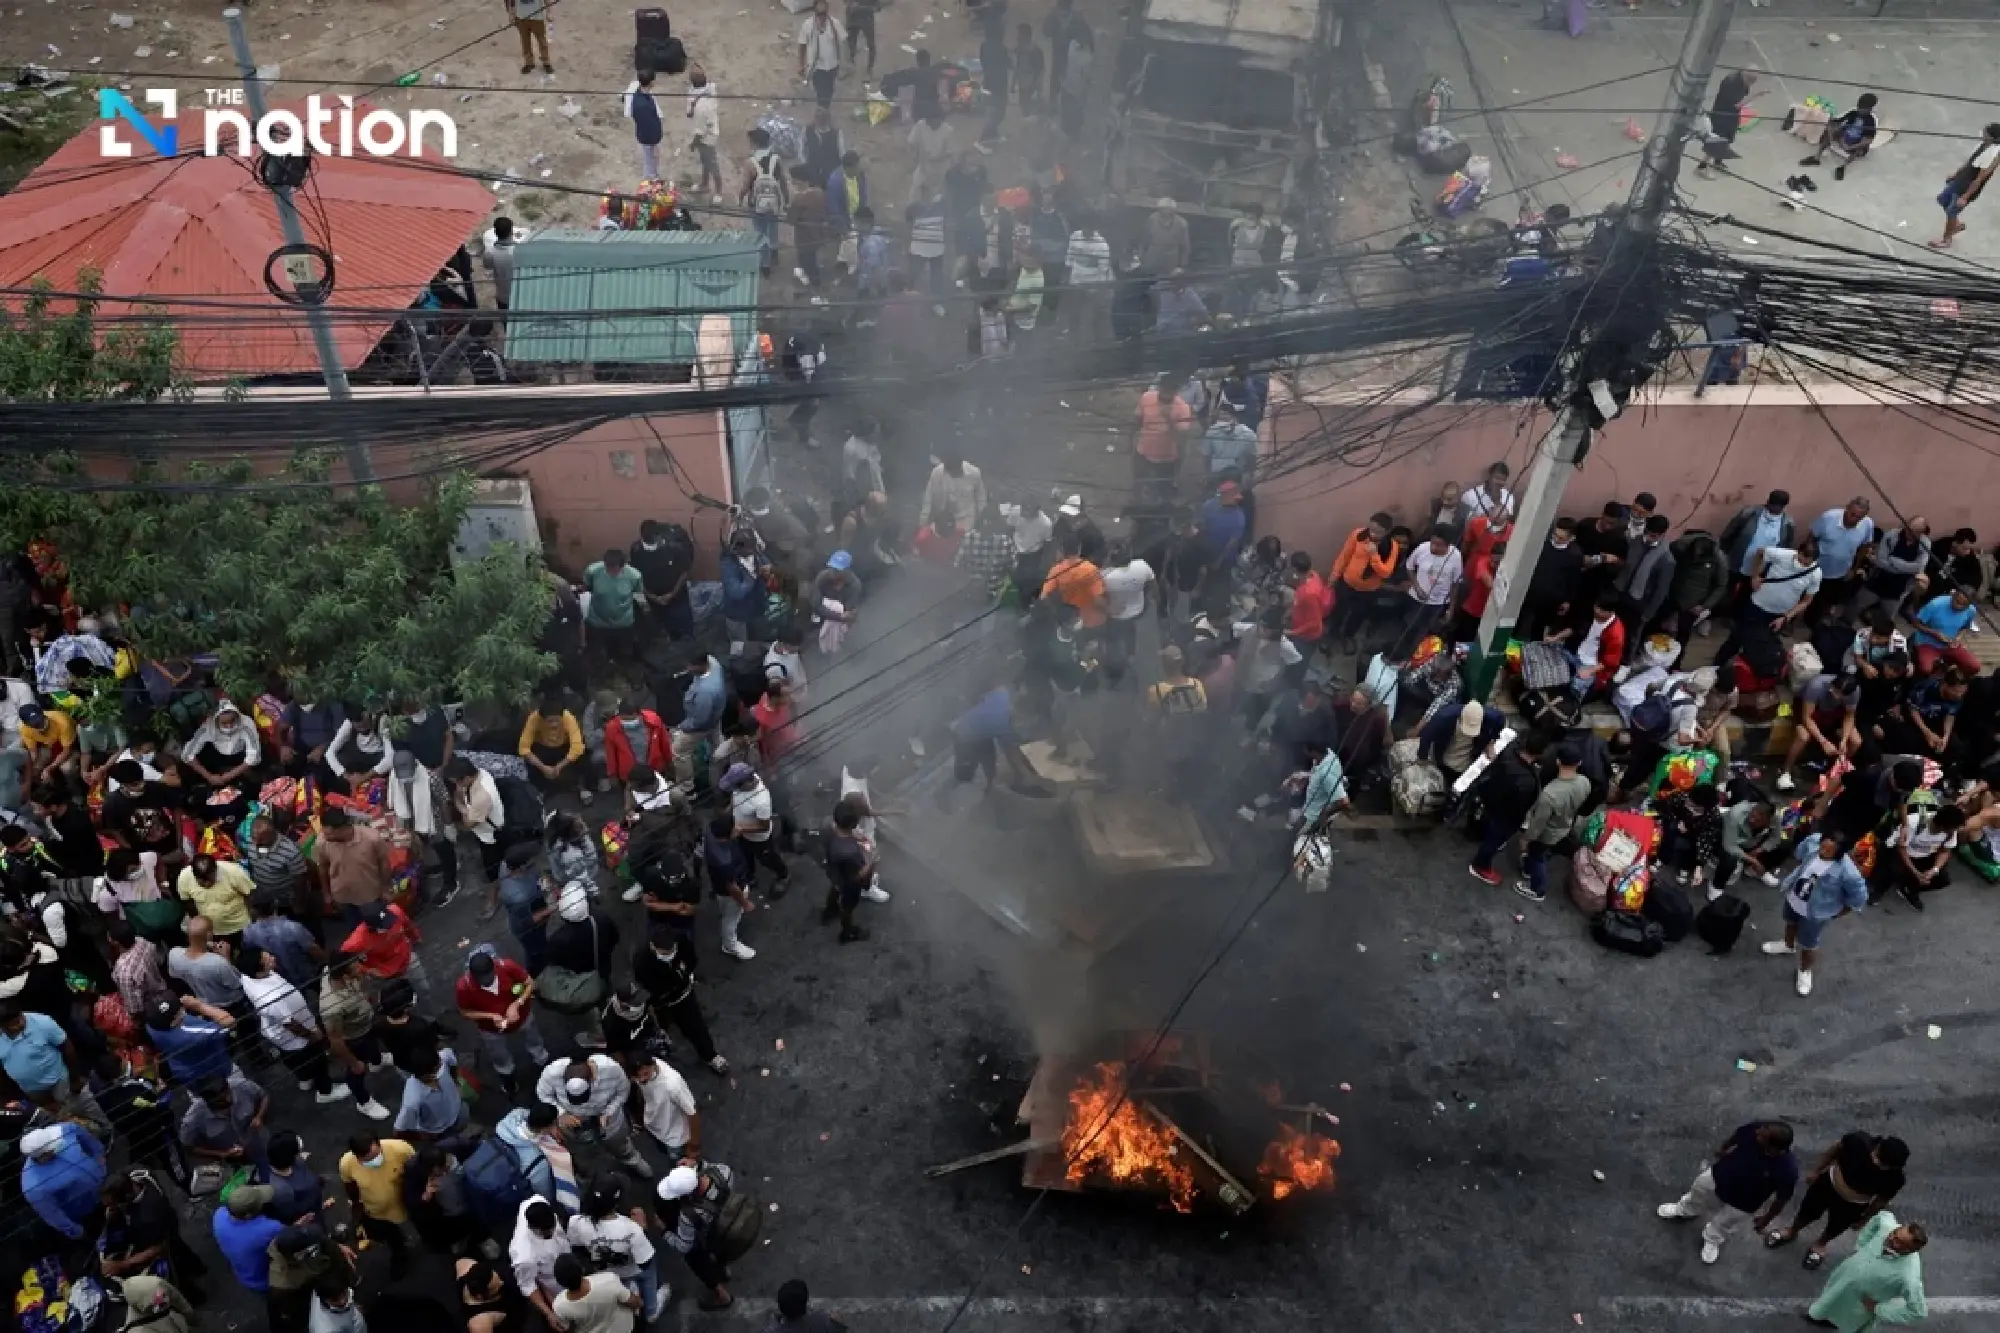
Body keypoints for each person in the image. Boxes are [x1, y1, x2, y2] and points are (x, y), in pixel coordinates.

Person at [1657, 1119, 1798, 1265]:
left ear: (1774, 1148)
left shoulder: (1787, 1171)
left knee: (1725, 1222)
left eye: (1762, 1136)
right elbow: (1738, 1135)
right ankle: (1685, 1210)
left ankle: (1712, 1238)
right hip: (1720, 1175)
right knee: (1698, 1190)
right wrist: (1724, 1148)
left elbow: (1782, 1198)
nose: (1757, 1133)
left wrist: (1766, 1219)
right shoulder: (1756, 1129)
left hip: (1744, 1201)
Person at [1766, 1132, 1909, 1270]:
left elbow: (1881, 1200)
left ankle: (1820, 1244)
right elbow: (1833, 1151)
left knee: (1836, 1227)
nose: (1878, 1164)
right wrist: (1816, 1170)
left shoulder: (1895, 1178)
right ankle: (1792, 1231)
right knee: (1807, 1211)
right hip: (1828, 1184)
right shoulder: (1857, 1141)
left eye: (1884, 1164)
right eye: (1878, 1158)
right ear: (1878, 1147)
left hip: (1854, 1204)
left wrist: (1865, 1218)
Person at [239, 945, 354, 1107]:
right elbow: (291, 1025)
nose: (272, 957)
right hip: (294, 1034)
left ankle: (305, 1079)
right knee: (316, 1059)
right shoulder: (270, 998)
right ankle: (325, 1092)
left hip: (280, 1031)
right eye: (267, 959)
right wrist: (312, 1035)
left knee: (293, 1059)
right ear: (259, 970)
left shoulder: (248, 976)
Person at [1762, 832, 1870, 998]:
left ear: (1839, 853)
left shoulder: (1848, 872)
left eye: (1829, 850)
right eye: (1823, 846)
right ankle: (1787, 945)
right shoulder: (1813, 841)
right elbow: (1800, 853)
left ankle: (1805, 971)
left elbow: (1858, 898)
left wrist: (1835, 914)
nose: (1823, 851)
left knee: (1808, 944)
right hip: (1794, 897)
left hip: (1815, 913)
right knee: (1790, 922)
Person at [1806, 1213, 1928, 1330]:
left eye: (1899, 1242)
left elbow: (1918, 1311)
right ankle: (1819, 1315)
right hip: (1843, 1279)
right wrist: (1860, 1245)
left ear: (1909, 1250)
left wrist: (1879, 1309)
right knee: (1829, 1299)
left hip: (1857, 1305)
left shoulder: (1908, 1276)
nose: (1890, 1237)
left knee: (1845, 1321)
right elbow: (1882, 1215)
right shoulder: (1887, 1226)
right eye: (1895, 1233)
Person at [456, 946, 550, 1098]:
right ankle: (508, 1076)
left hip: (523, 1016)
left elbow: (531, 983)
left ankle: (541, 1058)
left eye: (489, 976)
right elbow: (465, 1012)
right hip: (490, 1029)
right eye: (481, 979)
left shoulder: (507, 966)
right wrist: (490, 1016)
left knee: (534, 1037)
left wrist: (517, 1004)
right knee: (498, 1054)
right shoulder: (463, 986)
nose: (486, 981)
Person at [635, 925, 728, 1073]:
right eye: (666, 952)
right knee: (659, 1026)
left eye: (672, 950)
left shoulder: (680, 940)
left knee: (695, 1026)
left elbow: (691, 959)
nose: (671, 954)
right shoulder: (642, 961)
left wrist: (684, 974)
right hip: (661, 1001)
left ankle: (710, 1056)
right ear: (653, 947)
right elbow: (648, 987)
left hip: (682, 997)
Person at [536, 1052, 649, 1174]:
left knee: (620, 1144)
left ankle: (631, 1159)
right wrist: (561, 1113)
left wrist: (609, 1112)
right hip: (571, 1120)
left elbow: (623, 1092)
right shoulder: (552, 1072)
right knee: (580, 1152)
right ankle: (589, 1174)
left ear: (592, 1078)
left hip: (608, 1117)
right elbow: (543, 1094)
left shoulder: (612, 1069)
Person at [567, 1179, 662, 1322]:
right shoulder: (632, 1229)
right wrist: (643, 1227)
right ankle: (651, 1311)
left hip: (607, 1272)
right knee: (649, 1274)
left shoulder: (576, 1222)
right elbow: (644, 1263)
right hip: (633, 1269)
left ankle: (630, 1297)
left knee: (622, 1282)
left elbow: (577, 1247)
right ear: (616, 1203)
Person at [1464, 733, 1546, 887]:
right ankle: (1479, 865)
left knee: (1490, 831)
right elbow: (1518, 809)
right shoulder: (1527, 782)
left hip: (1490, 802)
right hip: (1504, 817)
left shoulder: (1508, 753)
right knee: (1493, 841)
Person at [654, 1166, 737, 1310]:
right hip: (730, 1225)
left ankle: (723, 1296)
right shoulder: (724, 1172)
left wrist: (664, 1232)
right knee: (721, 1252)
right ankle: (724, 1271)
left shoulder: (689, 1215)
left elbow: (683, 1247)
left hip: (708, 1238)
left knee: (698, 1262)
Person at [20, 1121, 105, 1240]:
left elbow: (85, 1136)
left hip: (107, 1183)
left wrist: (99, 1155)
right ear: (42, 1156)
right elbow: (53, 1215)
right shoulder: (34, 1186)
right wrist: (77, 1232)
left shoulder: (63, 1130)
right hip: (89, 1211)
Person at [1877, 802, 1964, 912]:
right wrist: (1916, 873)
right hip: (1904, 853)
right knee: (1893, 870)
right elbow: (1901, 848)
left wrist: (1934, 870)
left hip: (1926, 855)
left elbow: (1945, 851)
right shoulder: (1914, 823)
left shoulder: (1950, 832)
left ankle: (1910, 888)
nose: (1955, 831)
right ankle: (1879, 890)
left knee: (1943, 879)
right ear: (1942, 827)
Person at [313, 808, 392, 927]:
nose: (325, 836)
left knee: (379, 926)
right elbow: (323, 868)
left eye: (328, 834)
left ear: (343, 829)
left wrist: (386, 889)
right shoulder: (322, 842)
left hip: (370, 896)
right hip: (342, 897)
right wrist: (327, 894)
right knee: (355, 930)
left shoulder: (371, 838)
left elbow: (384, 863)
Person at [340, 899, 430, 1004]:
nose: (390, 926)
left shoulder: (395, 911)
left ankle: (429, 1018)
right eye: (384, 926)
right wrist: (366, 970)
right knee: (390, 1002)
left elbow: (408, 924)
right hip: (383, 974)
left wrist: (416, 937)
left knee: (424, 989)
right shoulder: (356, 941)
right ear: (370, 927)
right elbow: (344, 960)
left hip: (407, 959)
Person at [1392, 525, 1463, 657]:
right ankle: (1401, 653)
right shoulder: (1422, 548)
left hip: (1438, 603)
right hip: (1415, 599)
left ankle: (1419, 655)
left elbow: (1455, 583)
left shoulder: (1456, 557)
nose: (1433, 548)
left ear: (1448, 545)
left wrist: (1450, 608)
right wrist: (1417, 587)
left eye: (1439, 545)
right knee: (1409, 626)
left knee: (1427, 631)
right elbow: (1410, 567)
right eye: (1433, 543)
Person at [1719, 489, 1796, 606]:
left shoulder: (1787, 524)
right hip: (1737, 561)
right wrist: (1724, 553)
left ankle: (1735, 615)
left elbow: (1786, 547)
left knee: (1747, 593)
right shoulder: (1749, 514)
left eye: (1777, 506)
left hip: (1760, 568)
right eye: (1771, 504)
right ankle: (1718, 611)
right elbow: (1729, 533)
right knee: (1726, 588)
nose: (1773, 508)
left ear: (1783, 507)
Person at [1808, 499, 1877, 627]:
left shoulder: (1867, 524)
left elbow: (1864, 547)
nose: (1854, 519)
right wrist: (1809, 559)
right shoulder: (1829, 517)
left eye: (1859, 517)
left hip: (1840, 570)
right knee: (1808, 596)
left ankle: (1816, 621)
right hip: (1817, 566)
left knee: (1827, 598)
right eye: (1852, 514)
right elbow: (1812, 538)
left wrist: (1854, 568)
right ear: (1847, 508)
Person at [1932, 122, 2000, 250]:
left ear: (1991, 137)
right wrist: (1955, 174)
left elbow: (1979, 179)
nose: (1982, 133)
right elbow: (1969, 161)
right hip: (1960, 180)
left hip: (1967, 188)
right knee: (1942, 199)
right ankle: (1956, 225)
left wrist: (1965, 197)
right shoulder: (1983, 145)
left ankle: (1946, 240)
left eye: (1985, 132)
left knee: (1952, 211)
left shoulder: (1993, 156)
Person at [145, 996, 237, 1086]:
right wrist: (199, 1005)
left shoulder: (152, 1027)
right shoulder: (193, 1035)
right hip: (213, 1071)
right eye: (178, 1011)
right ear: (173, 1022)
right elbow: (230, 1022)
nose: (182, 1009)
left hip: (183, 1070)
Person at [212, 1184, 283, 1300]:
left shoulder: (219, 1215)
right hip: (264, 1280)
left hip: (241, 1273)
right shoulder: (269, 1228)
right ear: (248, 1215)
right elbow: (289, 1237)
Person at [509, 1200, 572, 1329]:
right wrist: (549, 1313)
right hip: (552, 1281)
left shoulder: (536, 1203)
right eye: (547, 1233)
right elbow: (528, 1285)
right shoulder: (524, 1255)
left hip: (567, 1257)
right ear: (534, 1228)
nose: (552, 1232)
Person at [519, 693, 588, 803]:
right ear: (542, 718)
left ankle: (583, 787)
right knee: (529, 759)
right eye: (549, 721)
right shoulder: (534, 718)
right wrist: (543, 767)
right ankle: (539, 790)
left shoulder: (568, 718)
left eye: (557, 720)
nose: (554, 725)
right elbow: (523, 748)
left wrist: (559, 767)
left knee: (583, 752)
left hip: (563, 747)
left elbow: (577, 747)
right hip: (543, 747)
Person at [632, 1054, 702, 1161]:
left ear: (653, 1065)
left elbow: (692, 1113)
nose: (641, 1080)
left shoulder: (672, 1085)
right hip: (654, 1128)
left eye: (646, 1074)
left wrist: (694, 1146)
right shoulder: (642, 1071)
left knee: (679, 1165)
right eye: (637, 1077)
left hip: (675, 1139)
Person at [583, 549, 645, 668]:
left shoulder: (634, 575)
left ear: (623, 566)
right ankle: (601, 674)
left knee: (626, 651)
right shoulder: (593, 571)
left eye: (614, 568)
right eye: (607, 567)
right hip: (598, 621)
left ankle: (625, 671)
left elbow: (638, 593)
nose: (610, 571)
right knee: (598, 652)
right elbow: (588, 586)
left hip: (624, 622)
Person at [176, 854, 256, 946]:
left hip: (238, 927)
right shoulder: (184, 877)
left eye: (210, 880)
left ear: (215, 870)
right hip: (211, 931)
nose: (206, 884)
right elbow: (188, 902)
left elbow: (250, 894)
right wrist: (200, 924)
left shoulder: (234, 872)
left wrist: (253, 921)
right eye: (202, 882)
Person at [1800, 92, 1880, 180]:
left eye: (1862, 108)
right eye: (1859, 106)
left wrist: (1851, 147)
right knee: (1828, 130)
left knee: (1860, 148)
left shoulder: (1870, 121)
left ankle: (1842, 167)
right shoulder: (1853, 113)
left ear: (1870, 109)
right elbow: (1837, 121)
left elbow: (1868, 140)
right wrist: (1831, 127)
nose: (1859, 109)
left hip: (1855, 144)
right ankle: (1816, 158)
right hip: (1844, 137)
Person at [1909, 585, 1979, 678]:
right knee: (1926, 669)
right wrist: (1935, 633)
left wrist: (1958, 638)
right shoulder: (1935, 604)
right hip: (1927, 643)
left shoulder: (1971, 610)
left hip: (1950, 644)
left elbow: (1965, 627)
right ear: (1953, 595)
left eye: (1963, 605)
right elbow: (1916, 624)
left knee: (1974, 666)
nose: (1959, 606)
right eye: (1957, 602)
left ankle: (1952, 676)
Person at [1697, 68, 1756, 171]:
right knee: (1716, 143)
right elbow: (1738, 105)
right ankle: (1701, 167)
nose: (1750, 85)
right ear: (1746, 77)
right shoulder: (1731, 84)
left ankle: (1717, 162)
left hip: (1730, 117)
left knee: (1724, 141)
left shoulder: (1740, 80)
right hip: (1722, 118)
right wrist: (1756, 95)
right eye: (1750, 82)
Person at [798, 0, 846, 109]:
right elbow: (802, 45)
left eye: (824, 13)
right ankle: (822, 111)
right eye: (819, 14)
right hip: (816, 67)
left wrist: (844, 61)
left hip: (832, 65)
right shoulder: (808, 25)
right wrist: (800, 64)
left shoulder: (835, 24)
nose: (822, 17)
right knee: (821, 92)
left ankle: (824, 109)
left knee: (829, 90)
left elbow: (843, 42)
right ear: (815, 13)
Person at [686, 65, 724, 202]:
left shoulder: (703, 107)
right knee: (704, 161)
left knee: (712, 163)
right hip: (703, 130)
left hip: (708, 137)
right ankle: (704, 184)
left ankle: (719, 191)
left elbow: (701, 133)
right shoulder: (709, 88)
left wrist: (693, 144)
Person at [625, 70, 664, 179]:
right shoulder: (644, 105)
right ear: (651, 82)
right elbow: (650, 126)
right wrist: (655, 143)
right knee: (650, 163)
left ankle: (652, 179)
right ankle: (650, 183)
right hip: (649, 138)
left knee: (650, 161)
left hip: (643, 135)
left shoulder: (638, 94)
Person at [504, 0, 551, 74]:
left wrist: (549, 13)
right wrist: (511, 14)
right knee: (525, 41)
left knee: (542, 40)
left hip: (537, 18)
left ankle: (546, 62)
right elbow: (510, 1)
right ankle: (529, 63)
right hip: (521, 18)